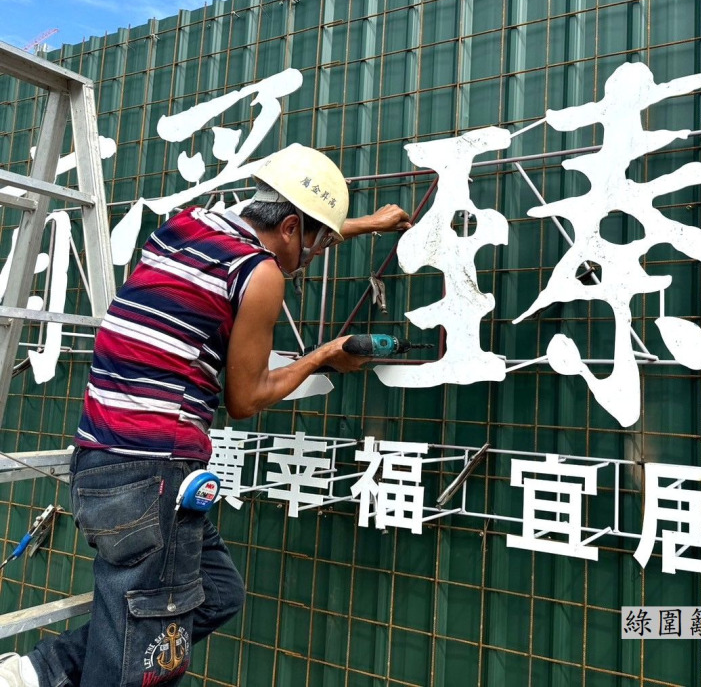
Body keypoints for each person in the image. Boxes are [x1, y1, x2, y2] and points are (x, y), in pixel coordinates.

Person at [0, 144, 410, 687]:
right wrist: (325, 356)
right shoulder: (261, 274)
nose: (312, 257)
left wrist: (364, 225)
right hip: (154, 477)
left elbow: (282, 221)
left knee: (215, 593)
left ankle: (36, 673)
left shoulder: (188, 225)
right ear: (291, 227)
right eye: (317, 244)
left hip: (99, 467)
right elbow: (246, 398)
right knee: (143, 665)